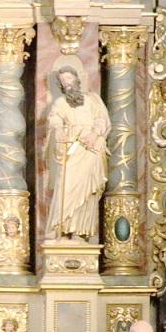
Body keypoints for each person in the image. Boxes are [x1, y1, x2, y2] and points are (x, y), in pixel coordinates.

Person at [44, 65, 111, 241]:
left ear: (77, 79)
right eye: (63, 81)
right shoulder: (60, 103)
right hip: (72, 148)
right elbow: (55, 119)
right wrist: (59, 129)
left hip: (91, 146)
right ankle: (64, 228)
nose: (67, 83)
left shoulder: (93, 100)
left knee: (87, 189)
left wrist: (95, 133)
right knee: (66, 187)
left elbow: (102, 119)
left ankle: (81, 232)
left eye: (69, 78)